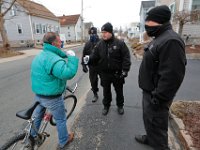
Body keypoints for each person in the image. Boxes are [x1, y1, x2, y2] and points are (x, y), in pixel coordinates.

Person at [135, 5, 187, 150]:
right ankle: (151, 138)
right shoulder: (160, 37)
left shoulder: (171, 41)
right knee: (150, 121)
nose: (146, 25)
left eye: (148, 21)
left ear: (159, 21)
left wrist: (159, 98)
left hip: (157, 95)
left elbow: (172, 76)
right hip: (150, 90)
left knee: (157, 123)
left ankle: (158, 144)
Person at [30, 32, 79, 150]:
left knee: (37, 117)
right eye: (59, 41)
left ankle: (32, 138)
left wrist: (63, 55)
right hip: (52, 97)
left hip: (39, 94)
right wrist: (72, 57)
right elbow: (68, 73)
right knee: (61, 119)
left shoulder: (40, 56)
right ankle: (64, 140)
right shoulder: (54, 60)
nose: (61, 42)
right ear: (53, 43)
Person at [83, 22, 131, 115]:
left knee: (119, 91)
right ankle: (106, 106)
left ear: (110, 32)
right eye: (102, 32)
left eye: (105, 32)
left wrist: (125, 70)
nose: (103, 34)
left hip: (117, 73)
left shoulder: (120, 43)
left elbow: (126, 57)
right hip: (105, 74)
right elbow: (94, 55)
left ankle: (120, 106)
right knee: (106, 91)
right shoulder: (100, 44)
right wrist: (88, 59)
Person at [81, 27, 100, 102]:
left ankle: (107, 96)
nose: (92, 35)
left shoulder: (101, 42)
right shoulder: (87, 44)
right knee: (93, 81)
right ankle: (95, 94)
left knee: (105, 81)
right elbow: (84, 55)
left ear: (96, 33)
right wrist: (83, 65)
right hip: (92, 66)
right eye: (91, 34)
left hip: (101, 65)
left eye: (94, 33)